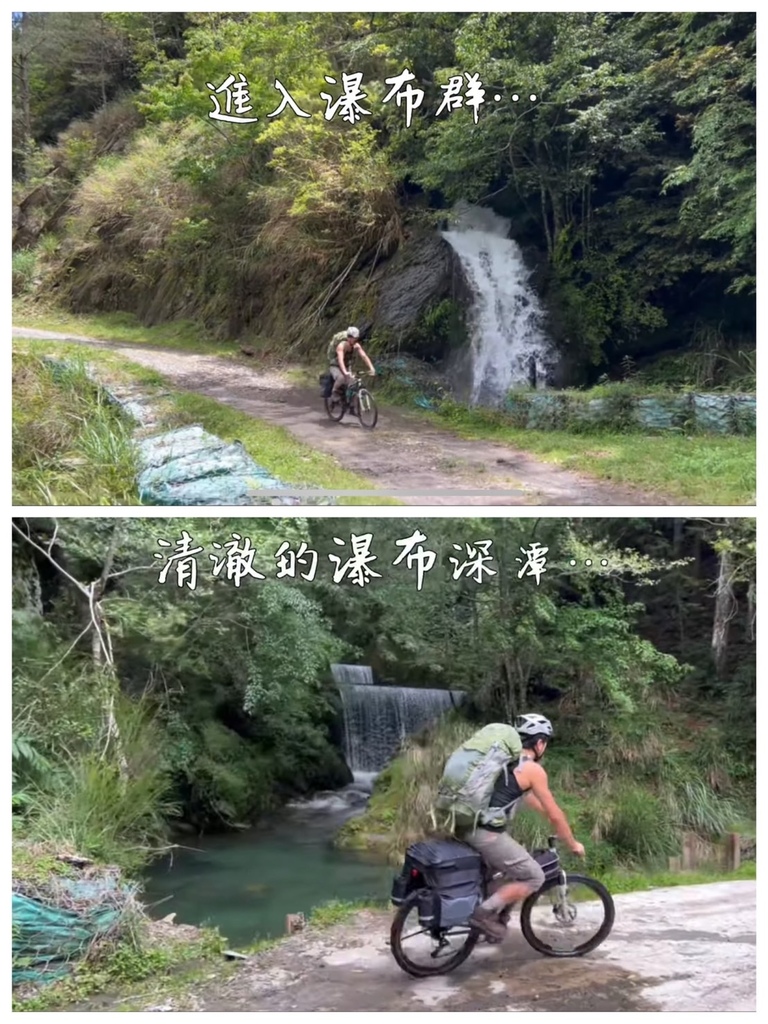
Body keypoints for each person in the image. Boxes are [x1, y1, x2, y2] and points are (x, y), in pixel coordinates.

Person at [457, 713, 585, 941]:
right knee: (534, 877)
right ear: (539, 743)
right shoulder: (532, 769)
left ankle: (493, 923)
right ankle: (483, 915)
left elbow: (526, 799)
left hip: (464, 824)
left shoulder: (504, 763)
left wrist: (550, 815)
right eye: (545, 741)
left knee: (507, 872)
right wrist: (572, 842)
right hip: (486, 834)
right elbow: (556, 814)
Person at [327, 326, 375, 404]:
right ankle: (334, 392)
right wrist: (345, 372)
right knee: (341, 377)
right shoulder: (341, 346)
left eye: (356, 338)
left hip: (346, 365)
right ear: (349, 337)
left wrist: (371, 368)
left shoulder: (356, 345)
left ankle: (351, 406)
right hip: (335, 366)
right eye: (353, 338)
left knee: (353, 382)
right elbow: (340, 360)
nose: (355, 340)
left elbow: (364, 356)